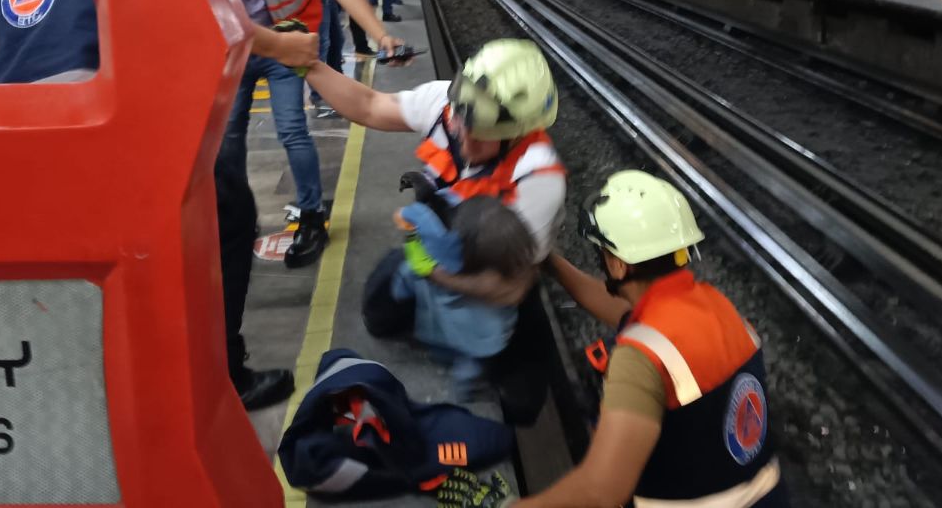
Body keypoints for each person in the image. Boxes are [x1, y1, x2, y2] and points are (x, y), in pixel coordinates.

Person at [0, 0, 321, 411]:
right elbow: (198, 16)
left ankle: (69, 376)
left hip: (17, 157)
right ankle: (221, 373)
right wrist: (280, 45)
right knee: (226, 209)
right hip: (94, 140)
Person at [305, 39, 566, 422]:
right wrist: (308, 65)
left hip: (496, 272)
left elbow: (509, 286)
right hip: (439, 248)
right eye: (462, 120)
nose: (462, 135)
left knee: (523, 404)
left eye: (480, 133)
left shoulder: (539, 178)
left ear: (516, 132)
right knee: (378, 316)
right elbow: (369, 105)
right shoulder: (451, 104)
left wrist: (435, 275)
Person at [507, 170, 788, 507]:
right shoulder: (715, 306)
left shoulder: (640, 357)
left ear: (617, 265)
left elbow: (600, 492)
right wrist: (549, 261)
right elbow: (621, 310)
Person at [201, 0, 403, 273]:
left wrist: (379, 31)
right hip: (232, 50)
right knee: (228, 138)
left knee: (293, 129)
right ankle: (236, 216)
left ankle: (312, 215)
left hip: (284, 47)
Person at [365, 194, 536, 401]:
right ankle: (468, 388)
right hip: (491, 339)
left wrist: (417, 269)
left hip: (451, 331)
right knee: (473, 364)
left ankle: (460, 387)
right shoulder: (517, 268)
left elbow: (409, 279)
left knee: (452, 355)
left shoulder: (446, 276)